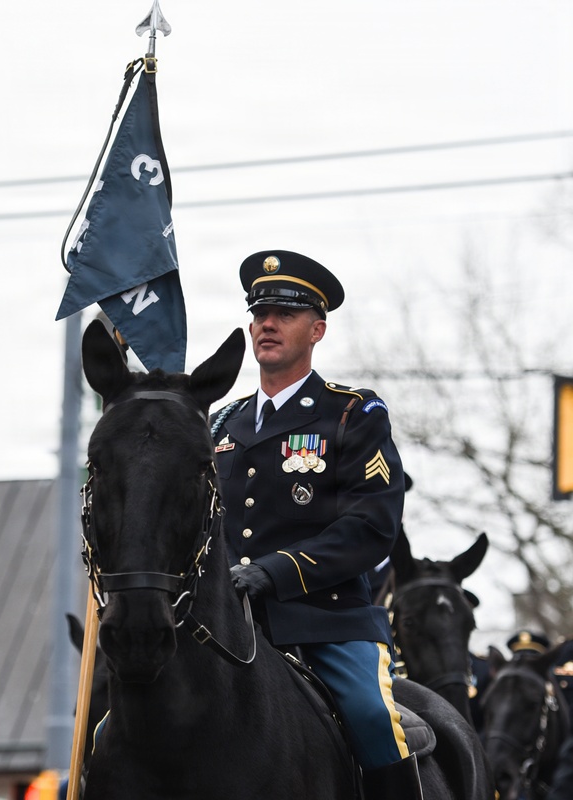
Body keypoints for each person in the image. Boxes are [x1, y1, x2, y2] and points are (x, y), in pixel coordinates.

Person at [210, 250, 416, 799]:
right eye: (259, 314)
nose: (267, 324)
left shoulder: (352, 413)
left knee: (373, 717)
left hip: (323, 620)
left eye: (285, 314)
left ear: (317, 330)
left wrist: (274, 572)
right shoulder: (218, 423)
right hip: (223, 621)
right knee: (116, 725)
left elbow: (372, 525)